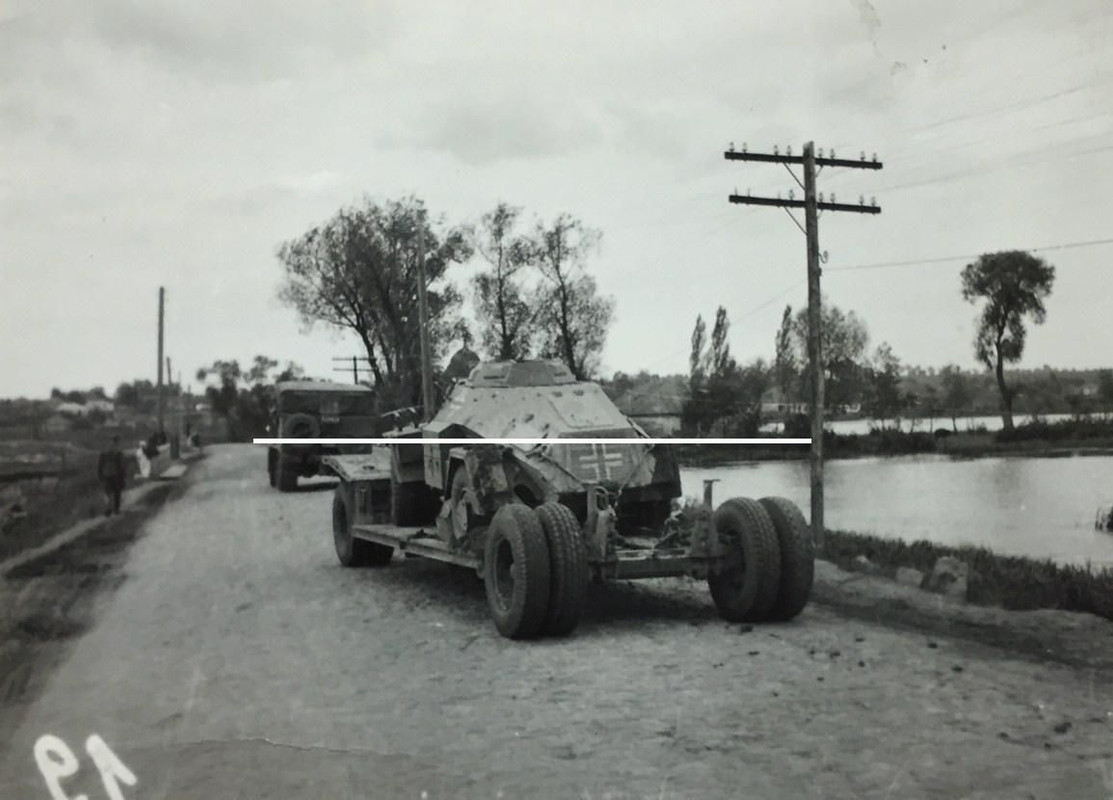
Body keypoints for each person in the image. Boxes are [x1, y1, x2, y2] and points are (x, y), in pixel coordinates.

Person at [97, 435, 127, 516]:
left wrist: (100, 475)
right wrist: (124, 475)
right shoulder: (118, 452)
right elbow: (121, 465)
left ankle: (108, 509)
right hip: (116, 475)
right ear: (117, 442)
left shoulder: (104, 452)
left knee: (107, 492)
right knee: (117, 492)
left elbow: (100, 464)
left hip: (106, 474)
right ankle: (116, 509)